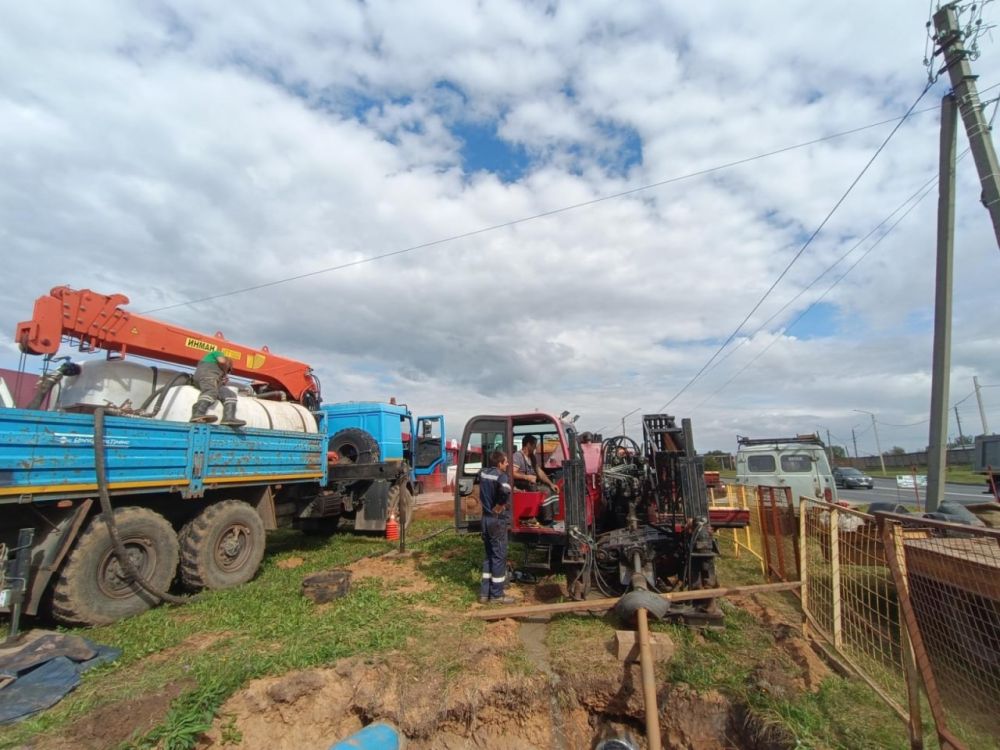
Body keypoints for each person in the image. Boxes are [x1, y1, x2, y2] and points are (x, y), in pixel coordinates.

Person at [479, 450, 514, 605]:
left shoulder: (484, 473)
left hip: (485, 519)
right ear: (499, 463)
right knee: (499, 556)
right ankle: (497, 595)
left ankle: (484, 594)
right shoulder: (502, 476)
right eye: (505, 461)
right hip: (496, 521)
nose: (507, 464)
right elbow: (505, 490)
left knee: (488, 556)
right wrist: (500, 505)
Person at [512, 435, 560, 526]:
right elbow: (512, 473)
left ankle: (552, 516)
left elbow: (539, 471)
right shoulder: (517, 456)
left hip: (532, 483)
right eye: (534, 445)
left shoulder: (532, 457)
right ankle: (545, 520)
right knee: (546, 491)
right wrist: (527, 477)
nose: (535, 447)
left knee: (553, 490)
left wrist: (551, 484)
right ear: (528, 445)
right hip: (521, 484)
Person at [190, 351, 246, 427]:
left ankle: (228, 418)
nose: (228, 371)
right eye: (229, 368)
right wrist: (225, 369)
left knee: (230, 394)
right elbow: (222, 361)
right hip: (205, 377)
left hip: (213, 381)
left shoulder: (220, 370)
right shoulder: (217, 353)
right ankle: (197, 414)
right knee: (211, 391)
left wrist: (223, 380)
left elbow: (219, 382)